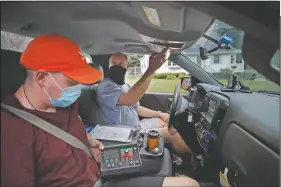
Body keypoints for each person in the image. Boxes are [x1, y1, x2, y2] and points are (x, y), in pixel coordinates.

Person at [1, 34, 199, 187]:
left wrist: (87, 144)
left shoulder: (63, 103)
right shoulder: (11, 132)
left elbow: (68, 137)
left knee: (189, 184)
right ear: (42, 78)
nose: (77, 89)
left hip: (101, 174)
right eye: (73, 82)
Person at [96, 51, 192, 159]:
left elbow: (137, 108)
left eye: (121, 64)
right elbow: (130, 100)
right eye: (113, 64)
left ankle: (172, 156)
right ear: (109, 67)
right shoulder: (105, 86)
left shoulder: (126, 85)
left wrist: (159, 114)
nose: (117, 67)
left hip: (138, 126)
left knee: (168, 122)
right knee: (173, 134)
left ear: (127, 66)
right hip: (127, 135)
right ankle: (193, 160)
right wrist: (152, 69)